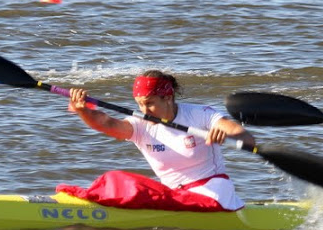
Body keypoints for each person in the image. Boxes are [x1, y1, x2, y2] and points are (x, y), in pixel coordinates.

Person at [56, 70, 255, 212]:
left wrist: (225, 134)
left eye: (150, 103)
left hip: (212, 193)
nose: (144, 111)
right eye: (139, 104)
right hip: (173, 196)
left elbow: (242, 135)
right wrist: (83, 110)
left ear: (167, 98)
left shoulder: (199, 114)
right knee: (115, 179)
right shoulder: (141, 123)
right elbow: (107, 123)